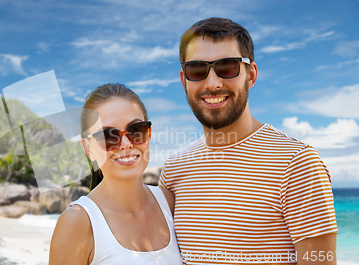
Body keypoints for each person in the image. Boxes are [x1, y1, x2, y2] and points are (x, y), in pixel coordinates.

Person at [159, 17, 338, 264]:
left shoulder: (297, 163)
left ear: (250, 75)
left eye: (227, 67)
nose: (213, 83)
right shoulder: (174, 170)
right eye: (197, 69)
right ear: (184, 81)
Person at [49, 83, 183, 265]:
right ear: (88, 148)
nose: (126, 144)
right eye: (108, 136)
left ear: (149, 133)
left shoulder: (171, 204)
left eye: (136, 130)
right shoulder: (78, 222)